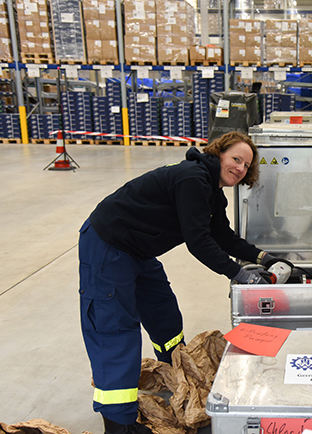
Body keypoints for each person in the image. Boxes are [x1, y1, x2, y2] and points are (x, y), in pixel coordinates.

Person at [78, 131, 281, 434]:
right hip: (110, 244)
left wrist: (264, 258)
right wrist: (237, 273)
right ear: (219, 153)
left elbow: (222, 236)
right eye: (236, 158)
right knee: (116, 330)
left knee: (164, 314)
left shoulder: (211, 190)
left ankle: (177, 374)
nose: (239, 168)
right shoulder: (193, 178)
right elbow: (198, 241)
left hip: (139, 249)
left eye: (245, 165)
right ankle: (118, 424)